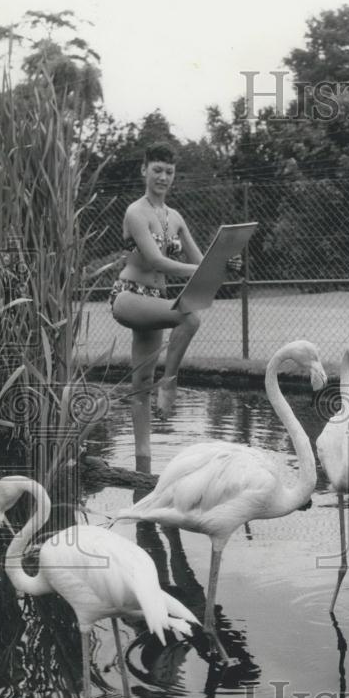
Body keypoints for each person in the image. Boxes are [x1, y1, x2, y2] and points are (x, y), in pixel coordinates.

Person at [109, 141, 204, 472]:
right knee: (189, 318)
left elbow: (200, 260)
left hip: (153, 301)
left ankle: (143, 464)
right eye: (157, 170)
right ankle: (172, 380)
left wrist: (223, 261)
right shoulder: (135, 212)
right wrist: (198, 271)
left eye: (169, 172)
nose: (163, 177)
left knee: (140, 385)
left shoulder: (175, 217)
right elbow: (154, 260)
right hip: (128, 296)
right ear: (144, 170)